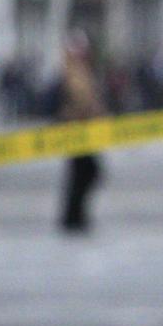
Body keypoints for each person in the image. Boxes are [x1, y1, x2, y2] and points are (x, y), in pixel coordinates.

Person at [56, 30, 106, 233]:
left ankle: (75, 216)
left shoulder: (82, 70)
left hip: (83, 128)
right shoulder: (74, 71)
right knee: (85, 172)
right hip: (78, 129)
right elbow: (81, 100)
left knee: (82, 173)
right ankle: (73, 216)